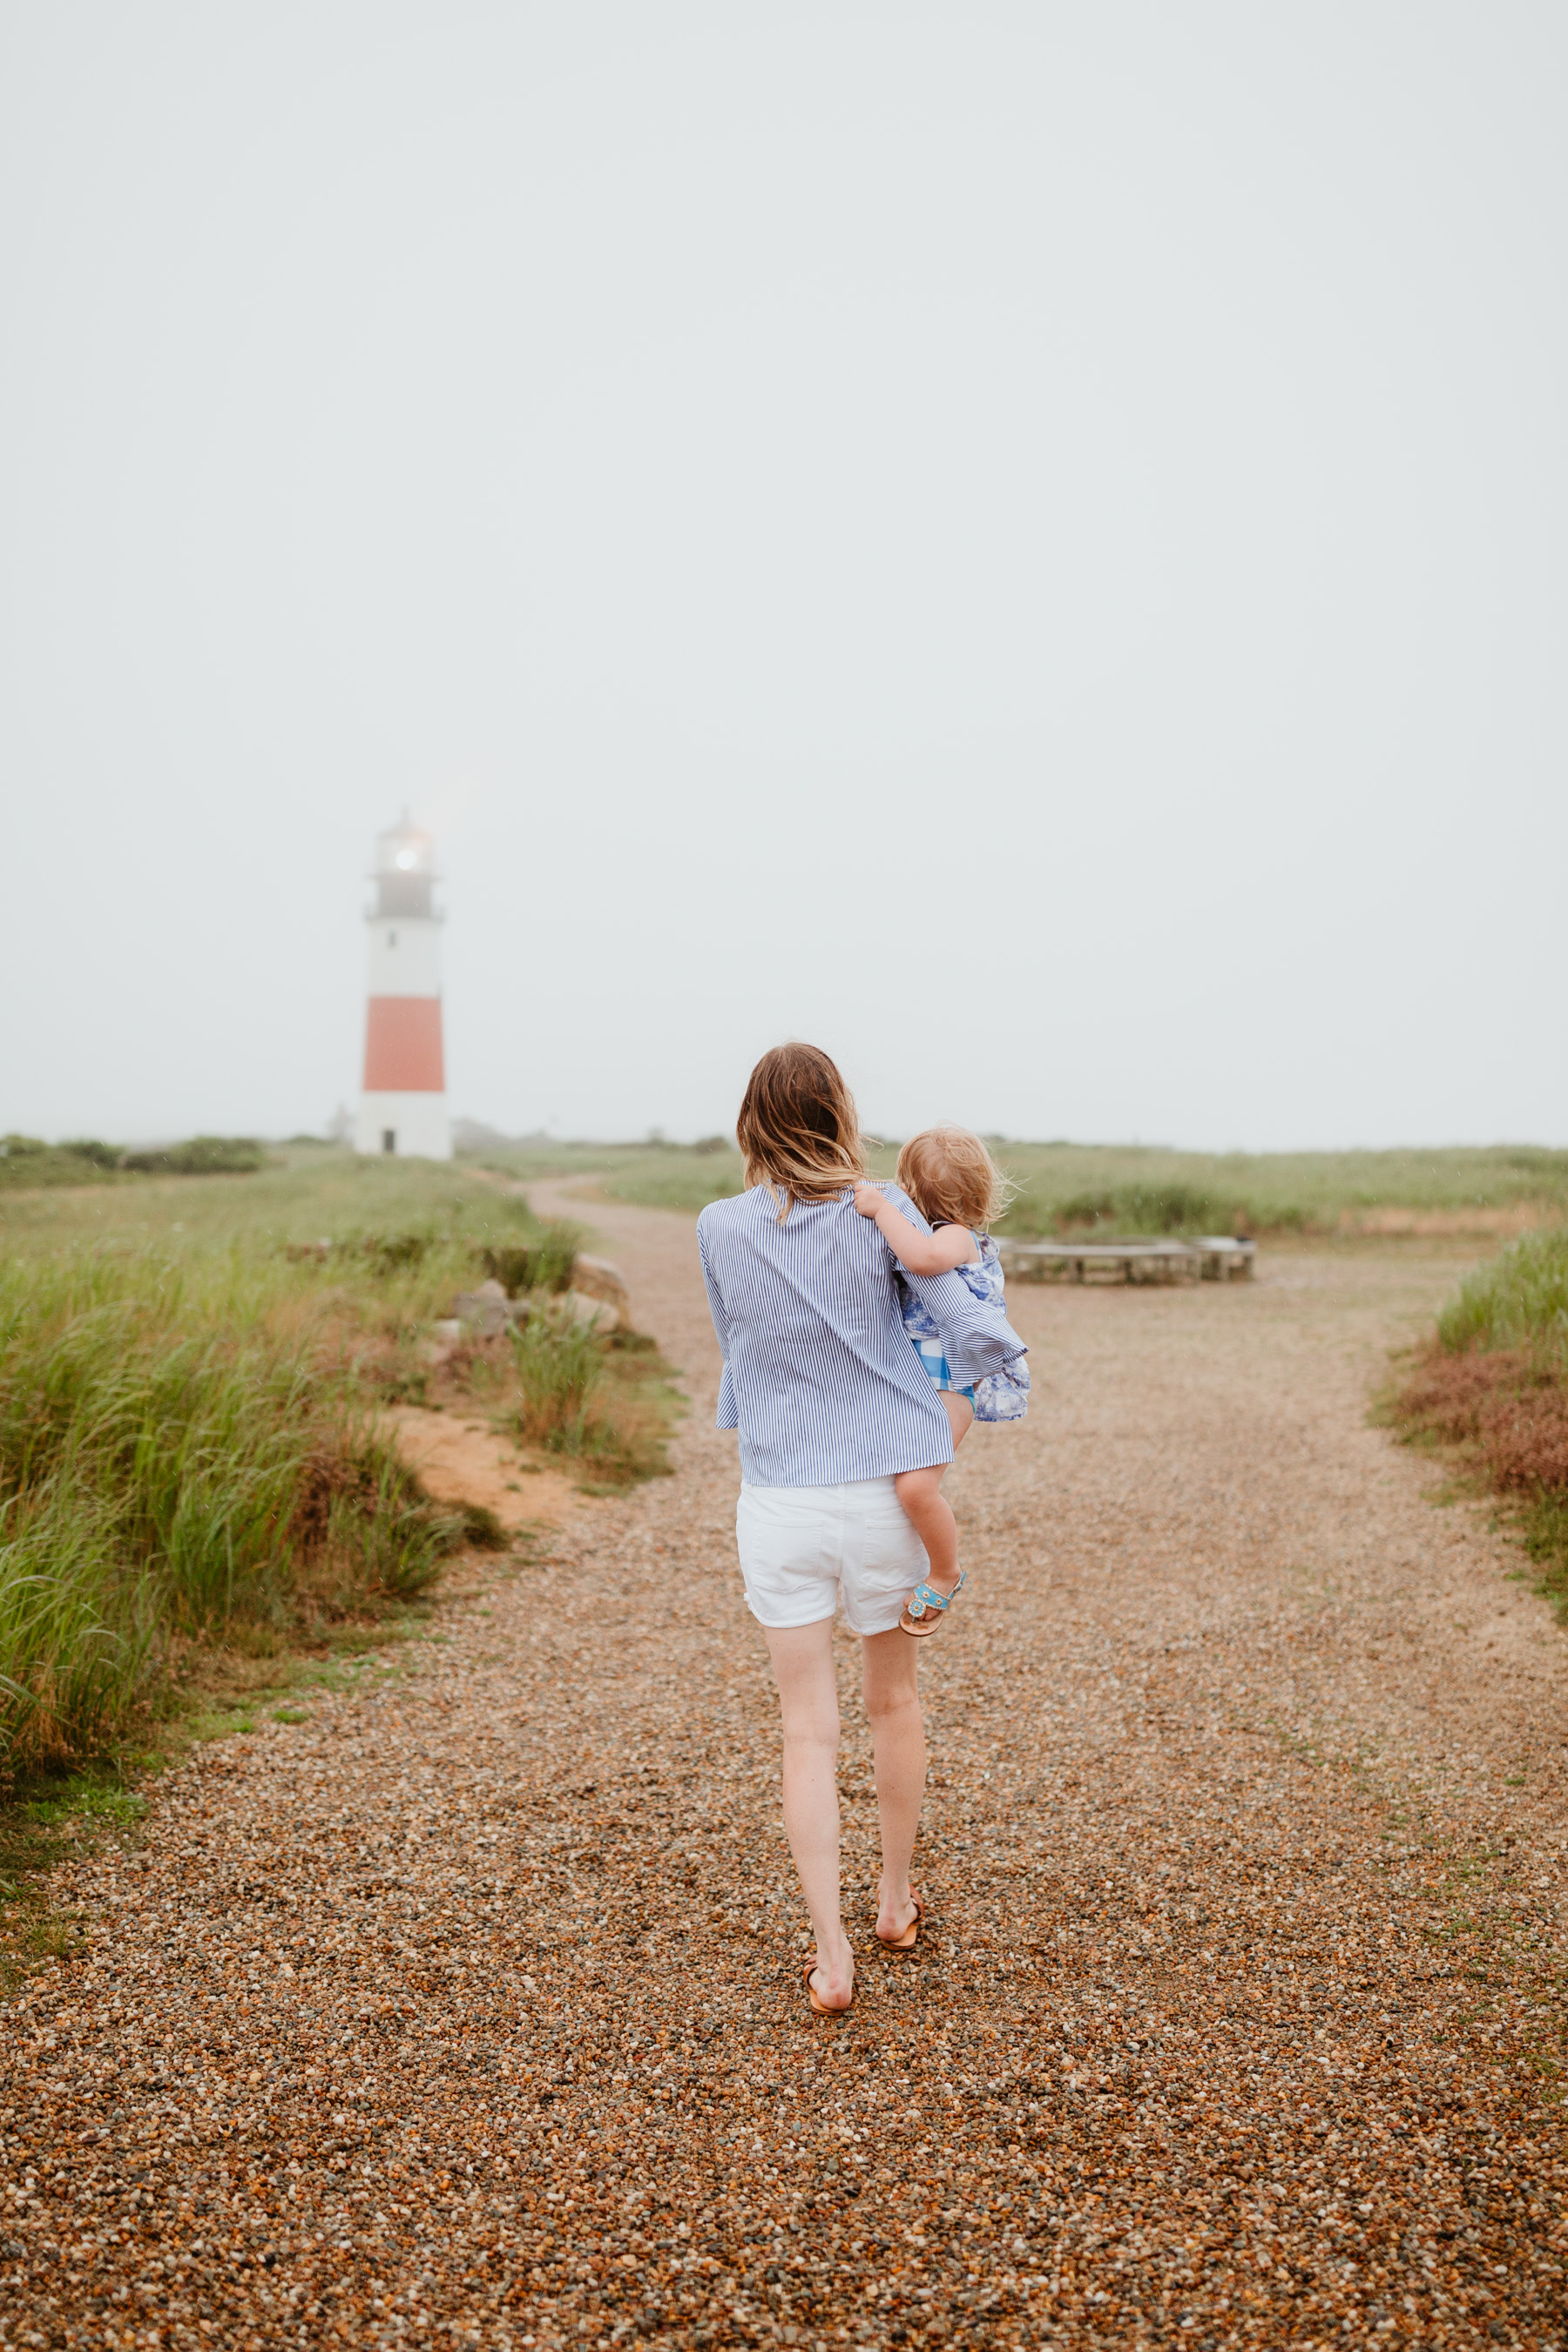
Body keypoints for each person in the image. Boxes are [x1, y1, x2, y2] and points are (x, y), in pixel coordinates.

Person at [696, 1044, 1027, 2015]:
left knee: (807, 1731)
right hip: (885, 1493)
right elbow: (959, 1312)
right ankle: (891, 1900)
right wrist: (988, 1377)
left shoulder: (718, 1226)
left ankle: (830, 1955)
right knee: (892, 1707)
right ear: (841, 1111)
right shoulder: (888, 1209)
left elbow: (737, 1349)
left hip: (782, 1500)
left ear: (750, 1125)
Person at [853, 1126, 1030, 1636]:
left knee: (915, 1487)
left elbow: (923, 1260)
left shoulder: (955, 1236)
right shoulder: (931, 1230)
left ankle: (946, 1570)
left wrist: (884, 1211)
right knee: (895, 1479)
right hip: (920, 1382)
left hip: (951, 1385)